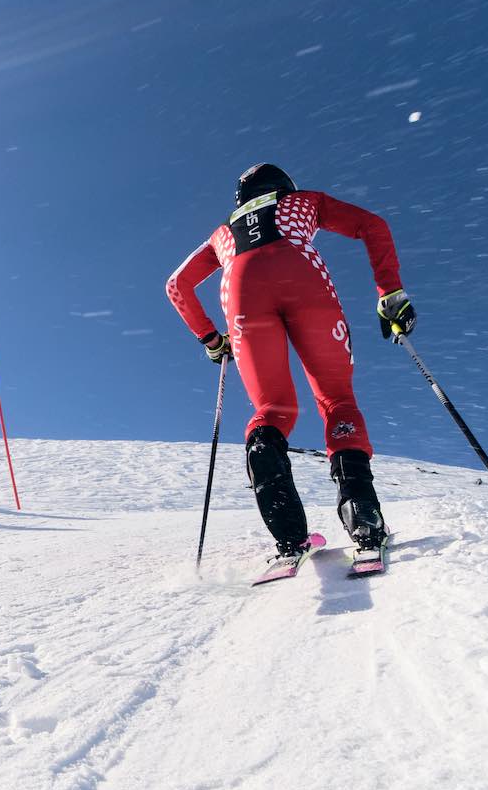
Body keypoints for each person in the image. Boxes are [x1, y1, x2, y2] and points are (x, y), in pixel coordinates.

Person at [166, 162, 411, 559]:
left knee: (272, 410)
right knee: (337, 399)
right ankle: (363, 518)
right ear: (284, 185)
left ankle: (288, 533)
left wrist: (212, 339)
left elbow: (176, 285)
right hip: (301, 273)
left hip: (240, 289)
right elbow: (373, 225)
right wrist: (391, 292)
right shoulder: (303, 201)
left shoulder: (222, 233)